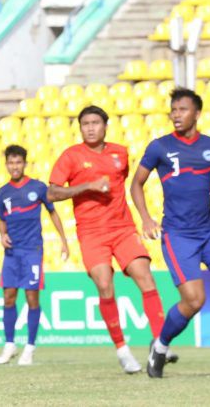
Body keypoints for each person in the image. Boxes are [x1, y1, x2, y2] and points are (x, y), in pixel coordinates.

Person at [131, 87, 210, 377]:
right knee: (194, 300)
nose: (176, 115)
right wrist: (146, 219)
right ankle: (160, 347)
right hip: (178, 235)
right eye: (173, 110)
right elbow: (136, 183)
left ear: (197, 114)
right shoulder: (159, 147)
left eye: (182, 109)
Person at [48, 105, 170, 374]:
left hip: (123, 228)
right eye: (85, 124)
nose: (90, 128)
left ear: (105, 126)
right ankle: (122, 350)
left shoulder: (120, 153)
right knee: (105, 285)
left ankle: (160, 343)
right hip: (91, 232)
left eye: (95, 123)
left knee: (145, 277)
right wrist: (86, 186)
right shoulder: (71, 156)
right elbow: (52, 193)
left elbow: (125, 186)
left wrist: (144, 218)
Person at [0, 145, 69, 367]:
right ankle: (10, 344)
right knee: (8, 297)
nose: (15, 167)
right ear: (6, 165)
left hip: (32, 251)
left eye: (18, 162)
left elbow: (53, 213)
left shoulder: (38, 187)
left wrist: (64, 241)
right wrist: (2, 235)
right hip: (11, 253)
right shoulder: (2, 193)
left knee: (31, 298)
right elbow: (2, 220)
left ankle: (29, 347)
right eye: (11, 163)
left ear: (24, 164)